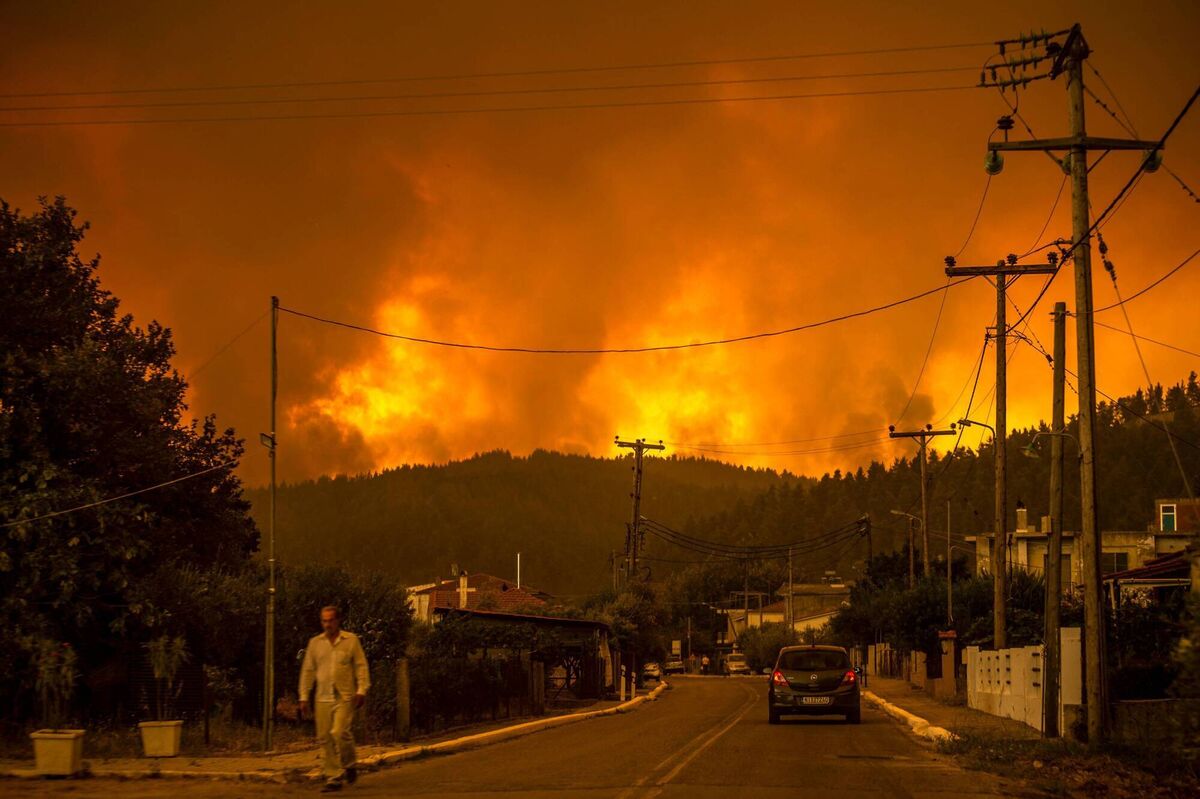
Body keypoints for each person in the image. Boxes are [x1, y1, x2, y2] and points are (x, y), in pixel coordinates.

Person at [299, 606, 371, 792]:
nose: (327, 624)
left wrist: (362, 690)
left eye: (330, 620)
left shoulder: (350, 641)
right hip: (322, 696)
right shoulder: (315, 643)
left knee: (339, 731)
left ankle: (349, 763)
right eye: (324, 621)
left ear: (338, 621)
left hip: (344, 696)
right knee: (324, 737)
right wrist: (304, 696)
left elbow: (360, 666)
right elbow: (308, 670)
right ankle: (333, 776)